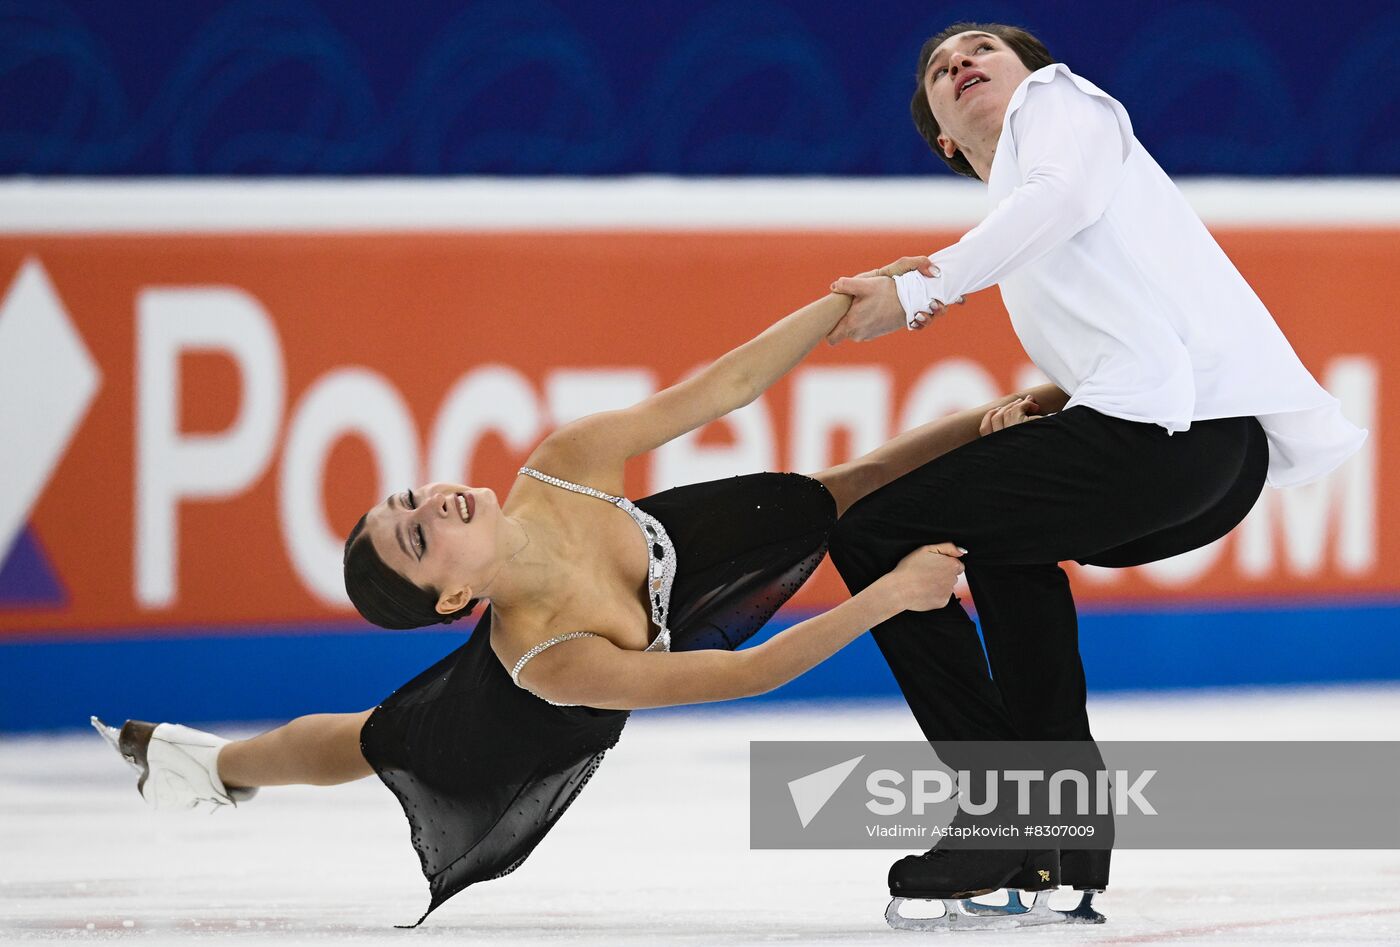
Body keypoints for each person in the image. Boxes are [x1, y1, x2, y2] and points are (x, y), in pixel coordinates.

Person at [94, 286, 1066, 925]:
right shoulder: (545, 661)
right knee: (379, 736)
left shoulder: (561, 465)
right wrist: (892, 595)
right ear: (456, 593)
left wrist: (839, 304)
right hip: (542, 697)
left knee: (811, 497)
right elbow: (736, 672)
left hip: (663, 558)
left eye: (408, 500)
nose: (431, 502)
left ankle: (988, 421)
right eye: (420, 537)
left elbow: (721, 386)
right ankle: (212, 763)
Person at [822, 21, 1368, 931]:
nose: (960, 62)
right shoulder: (1025, 210)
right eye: (939, 69)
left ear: (1027, 72)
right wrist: (1058, 400)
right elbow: (1138, 305)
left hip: (1179, 441)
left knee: (874, 525)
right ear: (946, 141)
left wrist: (920, 291)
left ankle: (1003, 816)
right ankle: (1058, 853)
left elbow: (1061, 196)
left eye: (981, 49)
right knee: (1003, 553)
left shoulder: (1060, 104)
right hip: (1201, 453)